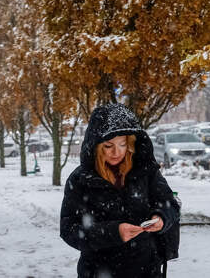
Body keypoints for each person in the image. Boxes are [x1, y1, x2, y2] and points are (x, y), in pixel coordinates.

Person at [60, 103, 180, 278]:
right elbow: (69, 229)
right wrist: (113, 233)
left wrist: (161, 218)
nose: (116, 152)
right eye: (108, 146)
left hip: (147, 269)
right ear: (96, 146)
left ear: (130, 143)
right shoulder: (80, 179)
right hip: (98, 270)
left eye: (122, 144)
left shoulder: (145, 171)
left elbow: (169, 204)